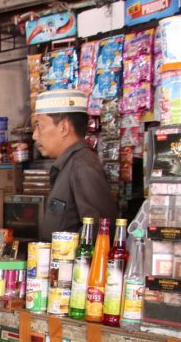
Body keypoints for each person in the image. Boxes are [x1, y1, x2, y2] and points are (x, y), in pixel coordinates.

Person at [33, 89, 119, 239]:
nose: (35, 135)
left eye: (40, 126)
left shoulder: (82, 166)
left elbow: (100, 231)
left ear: (64, 128)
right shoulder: (67, 166)